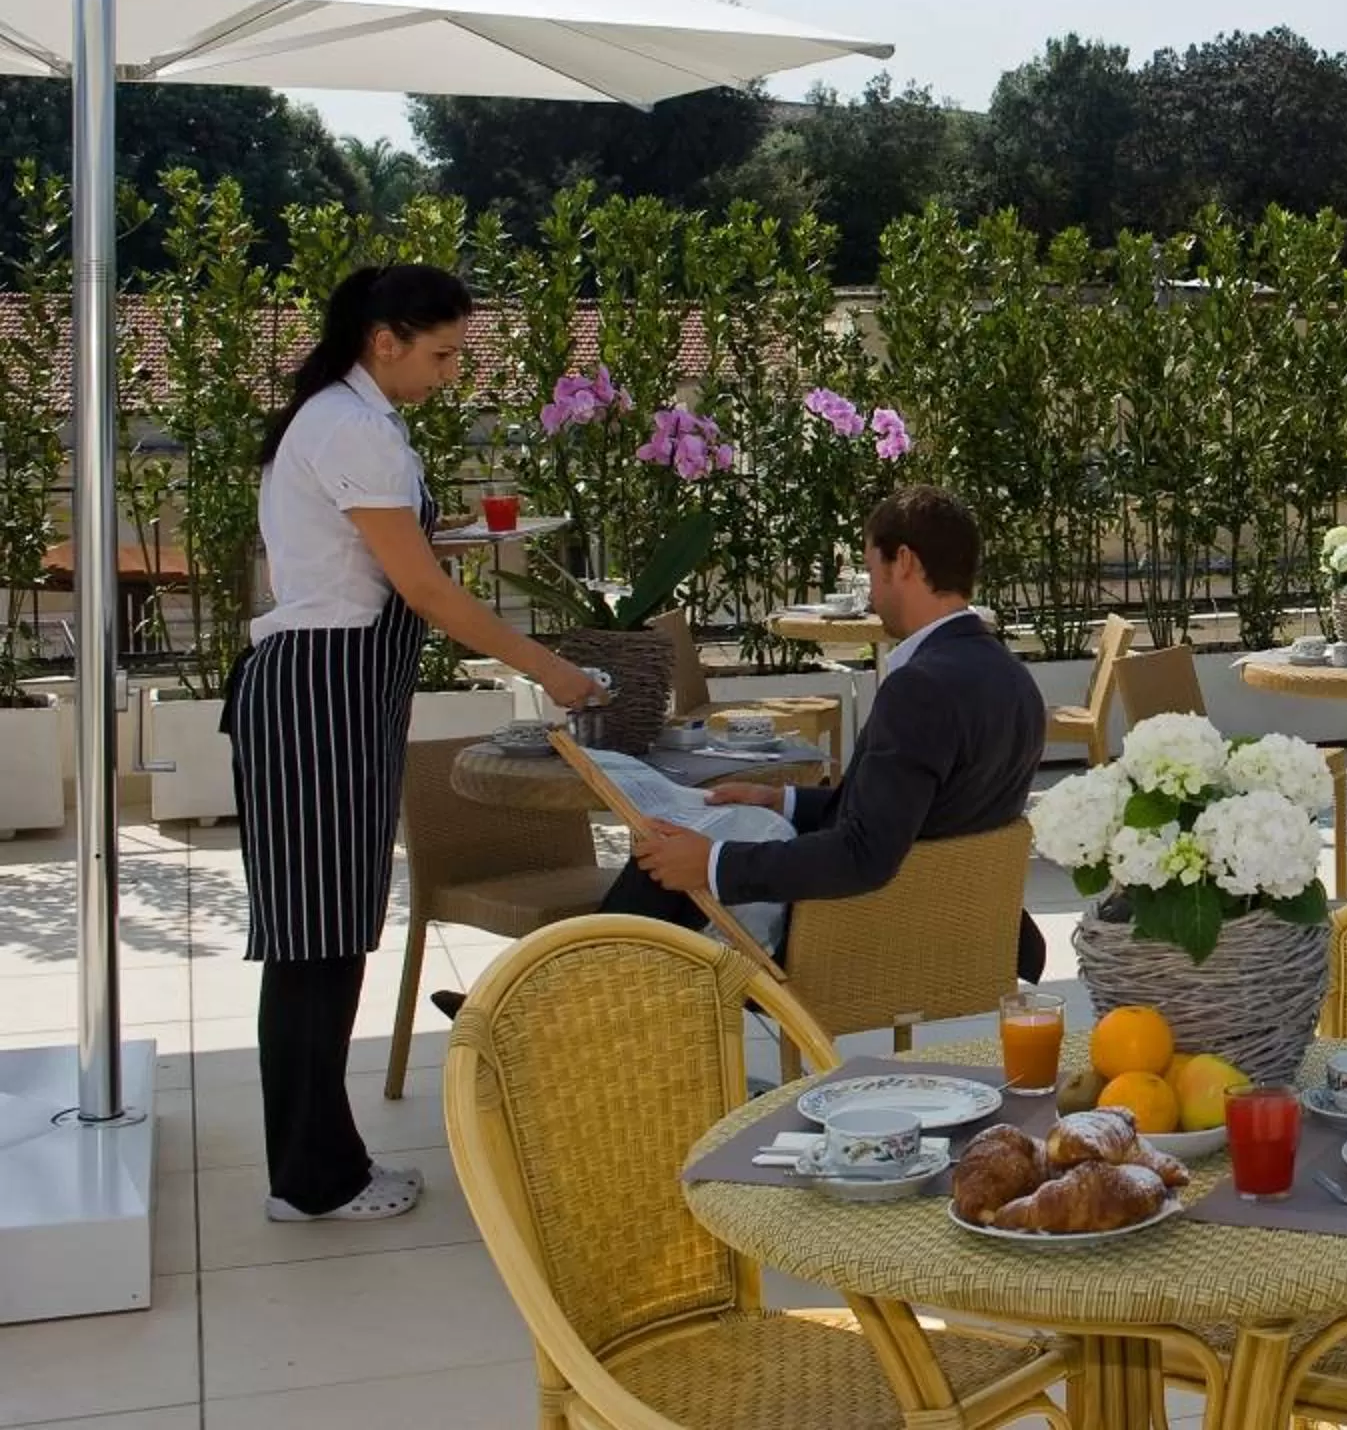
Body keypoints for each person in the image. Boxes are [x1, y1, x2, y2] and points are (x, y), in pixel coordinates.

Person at [228, 265, 604, 1224]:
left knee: (330, 933)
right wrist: (549, 667)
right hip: (319, 691)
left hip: (331, 690)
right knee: (315, 940)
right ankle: (312, 1180)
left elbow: (390, 562)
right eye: (441, 355)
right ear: (383, 338)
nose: (449, 375)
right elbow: (423, 593)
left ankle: (324, 1164)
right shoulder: (352, 428)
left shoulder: (343, 418)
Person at [605, 485, 1049, 981]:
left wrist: (715, 865)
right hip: (951, 932)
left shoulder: (919, 688)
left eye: (870, 568)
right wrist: (783, 801)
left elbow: (863, 856)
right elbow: (918, 811)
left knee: (658, 863)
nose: (872, 591)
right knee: (684, 854)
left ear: (903, 562)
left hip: (862, 943)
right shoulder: (1013, 679)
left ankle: (576, 1009)